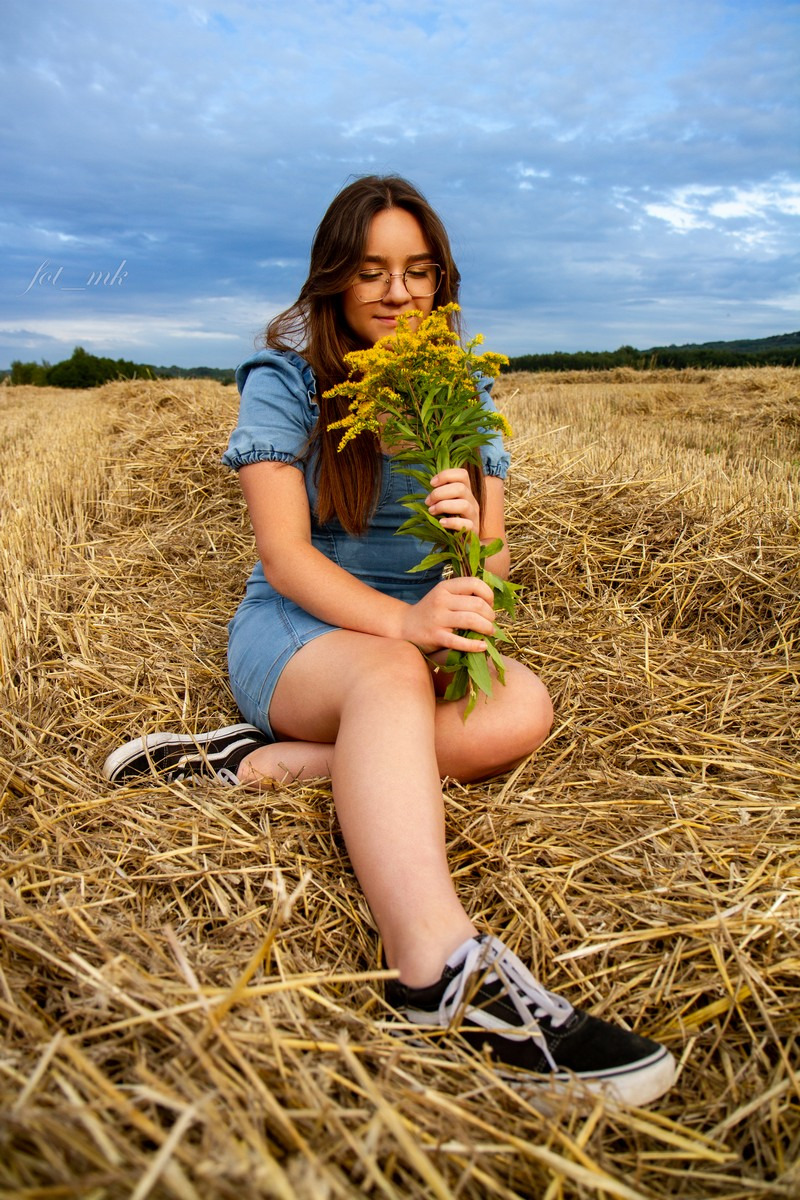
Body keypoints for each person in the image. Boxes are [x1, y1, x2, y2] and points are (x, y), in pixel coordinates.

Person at [104, 175, 676, 1106]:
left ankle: (265, 765)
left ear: (442, 283)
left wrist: (471, 529)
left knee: (524, 707)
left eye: (418, 273)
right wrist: (406, 628)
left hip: (411, 641)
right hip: (307, 633)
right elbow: (286, 558)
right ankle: (440, 973)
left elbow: (488, 565)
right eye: (372, 272)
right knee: (388, 678)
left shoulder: (466, 387)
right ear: (334, 280)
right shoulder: (288, 381)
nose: (398, 294)